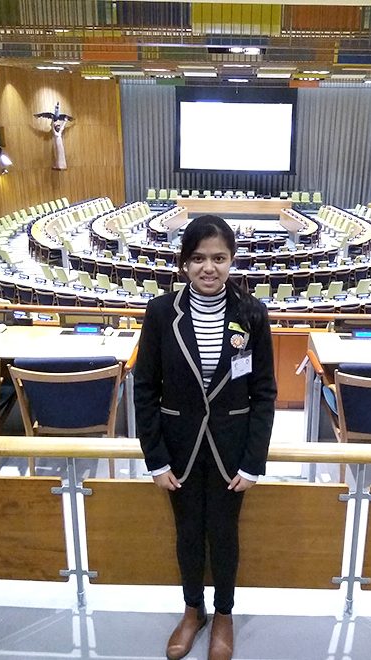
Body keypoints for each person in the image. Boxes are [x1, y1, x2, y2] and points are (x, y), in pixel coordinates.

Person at [134, 215, 277, 660]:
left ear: (232, 261)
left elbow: (264, 392)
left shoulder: (252, 314)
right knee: (188, 532)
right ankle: (192, 610)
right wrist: (155, 458)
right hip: (179, 448)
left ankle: (225, 615)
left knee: (225, 533)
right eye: (198, 258)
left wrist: (254, 461)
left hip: (231, 449)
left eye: (218, 258)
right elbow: (144, 389)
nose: (208, 267)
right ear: (184, 263)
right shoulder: (161, 313)